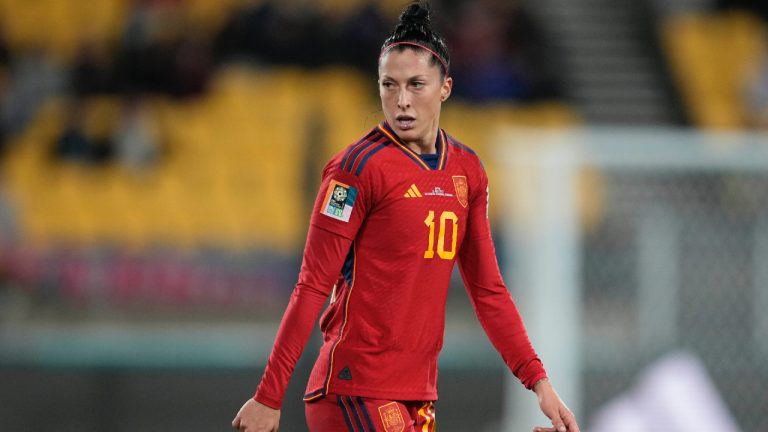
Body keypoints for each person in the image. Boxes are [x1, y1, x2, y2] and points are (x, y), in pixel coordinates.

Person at [232, 2, 580, 431]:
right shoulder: (354, 171)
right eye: (388, 85)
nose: (401, 101)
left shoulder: (467, 171)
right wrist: (269, 396)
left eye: (416, 84)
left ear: (445, 87)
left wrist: (539, 382)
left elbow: (488, 291)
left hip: (418, 393)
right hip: (353, 388)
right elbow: (311, 285)